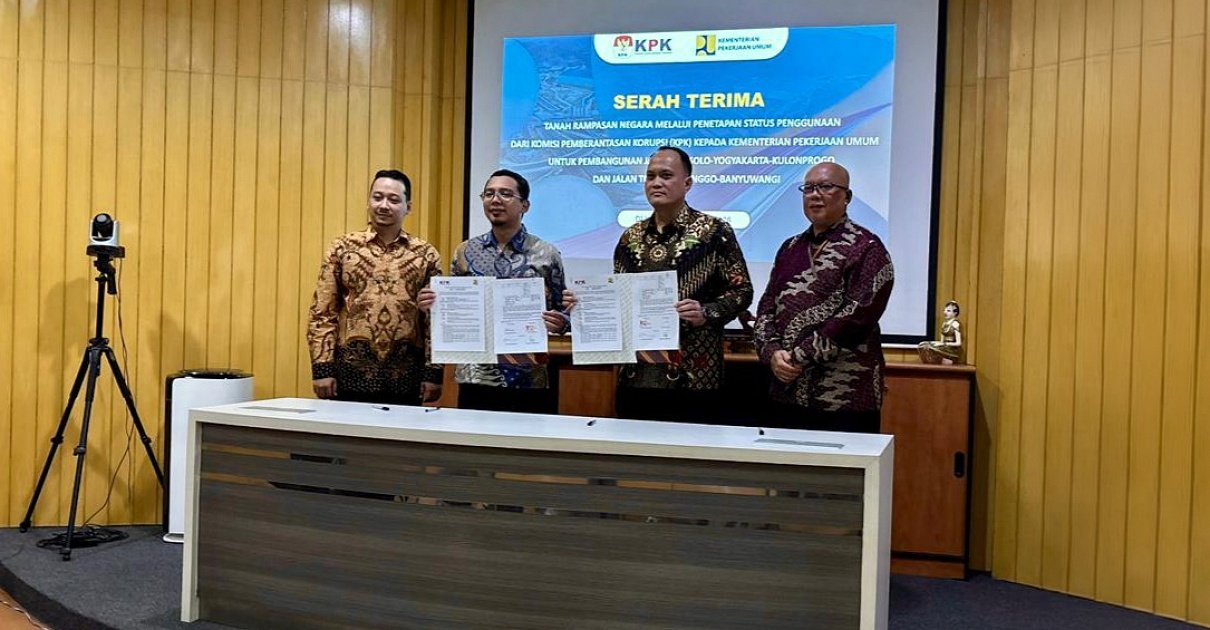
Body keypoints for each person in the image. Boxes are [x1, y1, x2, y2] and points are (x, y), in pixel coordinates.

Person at [566, 146, 753, 423]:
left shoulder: (714, 231)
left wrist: (706, 312)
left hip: (695, 375)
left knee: (691, 449)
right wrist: (583, 306)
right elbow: (617, 299)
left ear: (687, 183)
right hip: (636, 375)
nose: (656, 183)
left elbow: (742, 290)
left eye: (666, 176)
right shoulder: (631, 237)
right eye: (650, 176)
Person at [753, 161, 893, 433]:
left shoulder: (867, 247)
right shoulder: (790, 247)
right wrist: (772, 354)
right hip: (787, 391)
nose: (815, 195)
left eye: (826, 187)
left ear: (847, 197)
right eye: (808, 188)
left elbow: (857, 317)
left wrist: (798, 356)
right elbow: (767, 307)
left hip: (845, 396)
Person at [418, 169, 568, 413]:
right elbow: (452, 311)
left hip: (530, 378)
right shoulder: (465, 252)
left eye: (505, 194)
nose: (495, 200)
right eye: (489, 194)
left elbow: (563, 312)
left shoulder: (546, 254)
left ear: (525, 205)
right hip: (476, 377)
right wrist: (432, 305)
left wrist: (560, 322)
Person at [307, 169, 443, 406]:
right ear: (368, 201)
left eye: (393, 199)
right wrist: (322, 368)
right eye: (377, 197)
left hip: (407, 374)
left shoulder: (426, 254)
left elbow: (435, 320)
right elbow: (322, 312)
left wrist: (434, 373)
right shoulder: (342, 248)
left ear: (408, 207)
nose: (384, 205)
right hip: (349, 372)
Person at [918, 300, 964, 364]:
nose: (945, 312)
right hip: (944, 347)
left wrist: (944, 344)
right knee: (923, 345)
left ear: (955, 313)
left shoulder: (955, 324)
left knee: (930, 347)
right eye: (945, 310)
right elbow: (941, 341)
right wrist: (936, 343)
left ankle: (946, 360)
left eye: (948, 311)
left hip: (952, 349)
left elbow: (958, 343)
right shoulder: (944, 324)